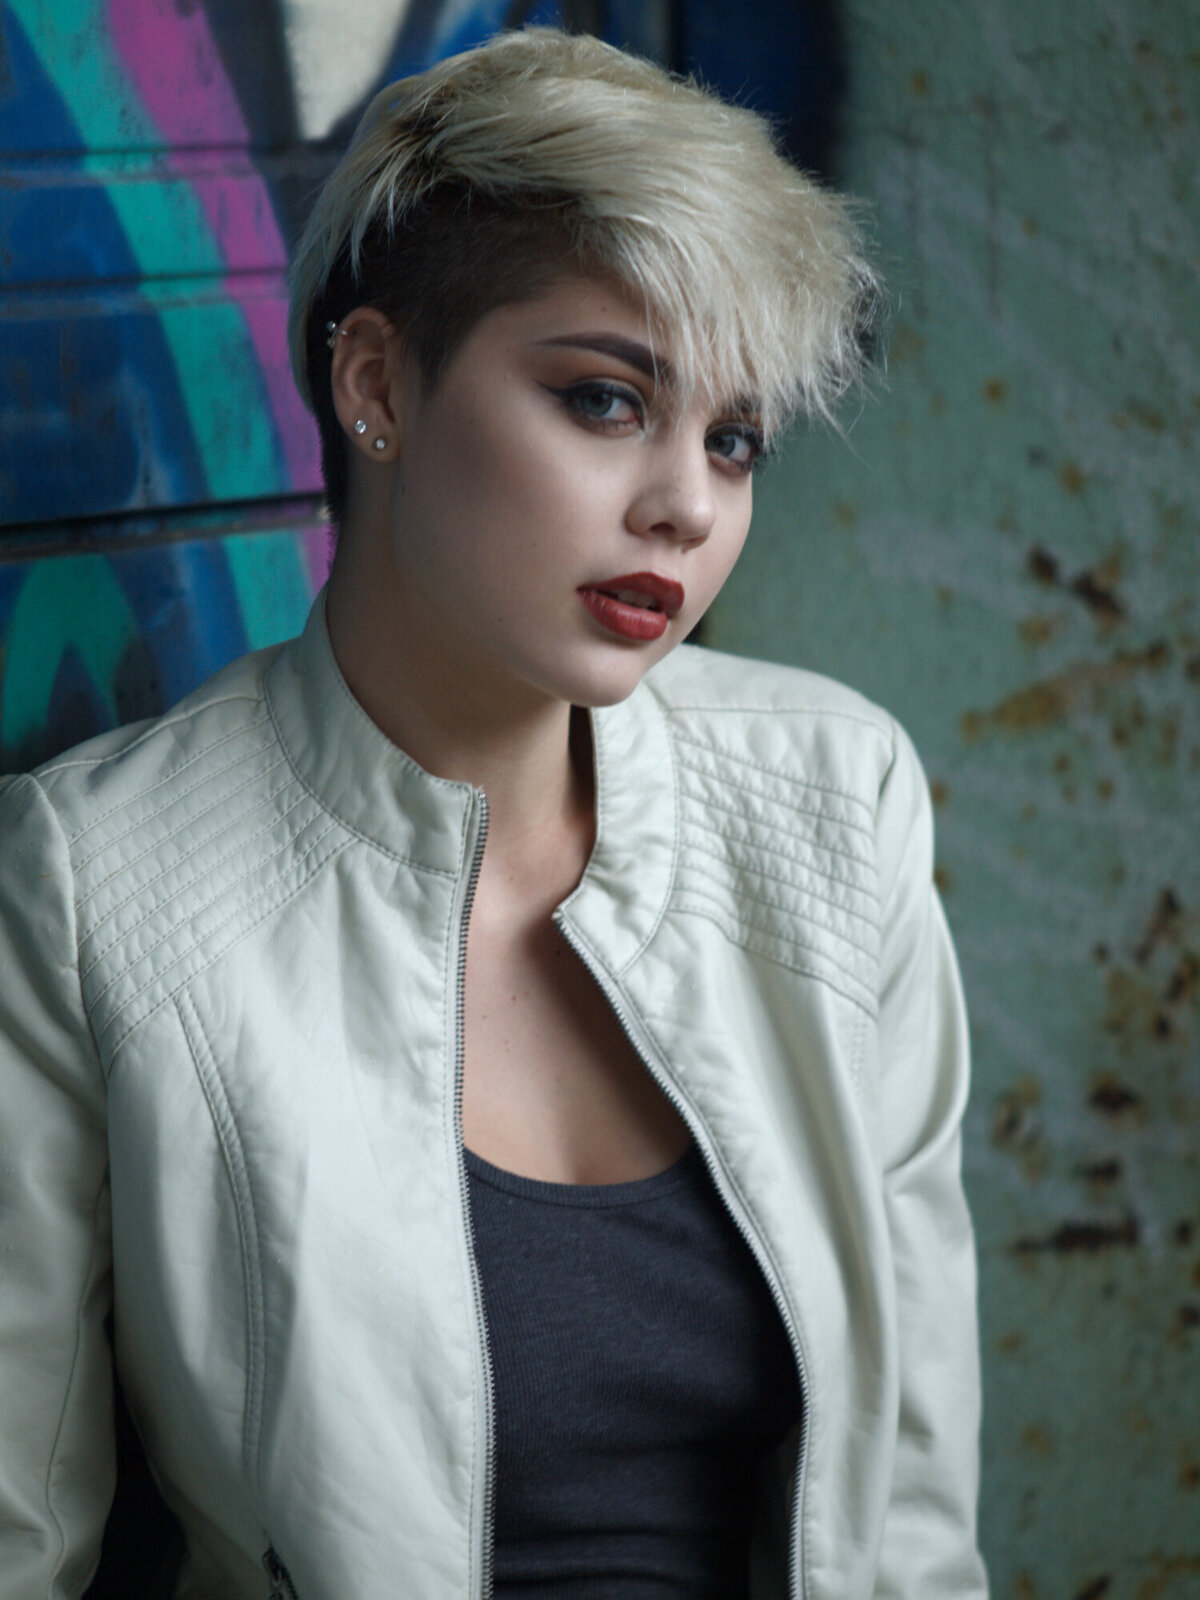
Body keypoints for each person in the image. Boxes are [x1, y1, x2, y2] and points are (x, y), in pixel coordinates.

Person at [0, 27, 988, 1600]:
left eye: (733, 438)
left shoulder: (832, 802)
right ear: (379, 382)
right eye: (607, 401)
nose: (688, 503)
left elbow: (914, 1518)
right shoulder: (97, 887)